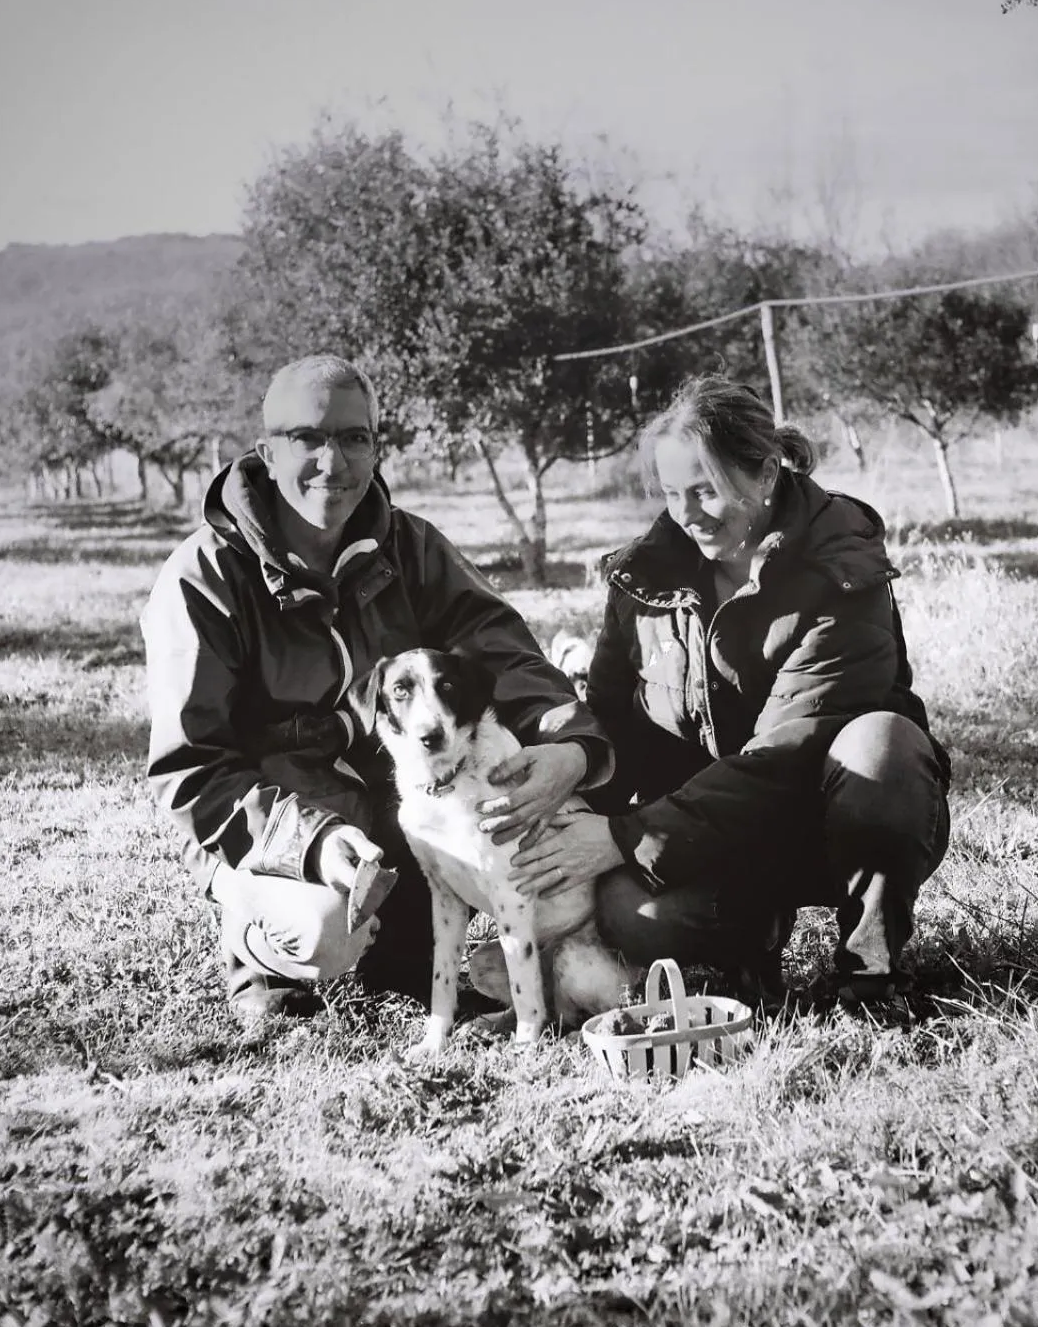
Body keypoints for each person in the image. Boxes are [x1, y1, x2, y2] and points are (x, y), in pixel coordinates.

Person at [140, 353, 612, 1024]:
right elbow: (191, 769)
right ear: (266, 453)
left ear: (376, 449)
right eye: (308, 437)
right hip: (288, 829)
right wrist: (311, 841)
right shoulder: (204, 578)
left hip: (401, 819)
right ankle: (266, 978)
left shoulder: (412, 549)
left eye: (354, 438)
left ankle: (403, 968)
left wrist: (573, 749)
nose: (333, 463)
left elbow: (504, 654)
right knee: (324, 926)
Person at [509, 375, 950, 1005]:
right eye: (670, 494)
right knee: (630, 911)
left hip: (829, 822)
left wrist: (624, 839)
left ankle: (869, 968)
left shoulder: (842, 573)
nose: (685, 515)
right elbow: (612, 720)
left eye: (705, 491)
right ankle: (748, 945)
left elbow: (786, 754)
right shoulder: (641, 580)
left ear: (767, 475)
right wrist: (574, 756)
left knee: (882, 744)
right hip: (710, 835)